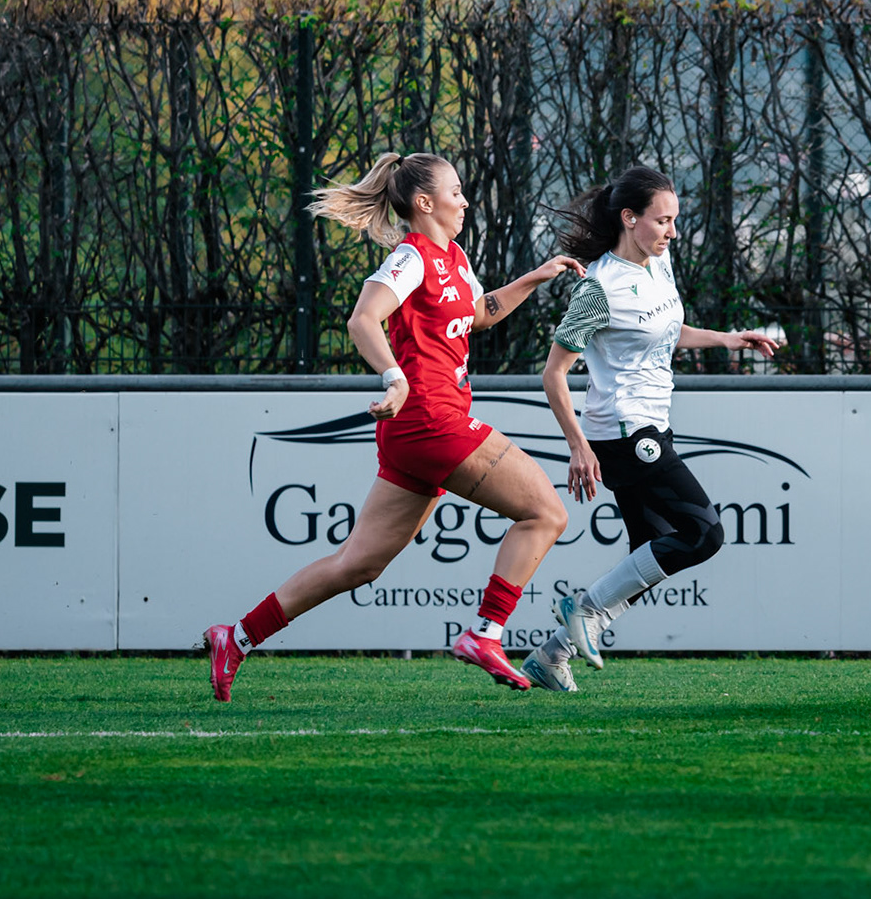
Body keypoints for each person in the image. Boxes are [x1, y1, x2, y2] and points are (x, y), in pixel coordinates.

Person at [202, 152, 584, 699]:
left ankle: (235, 637)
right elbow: (363, 317)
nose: (465, 201)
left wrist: (536, 277)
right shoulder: (411, 258)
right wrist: (393, 377)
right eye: (456, 191)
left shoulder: (452, 255)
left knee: (357, 564)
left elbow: (479, 313)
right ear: (425, 203)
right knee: (546, 512)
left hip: (417, 429)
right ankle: (486, 633)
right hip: (430, 417)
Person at [522, 165, 780, 692]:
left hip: (651, 428)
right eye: (663, 221)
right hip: (620, 435)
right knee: (703, 534)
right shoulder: (598, 288)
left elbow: (666, 330)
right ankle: (581, 610)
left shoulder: (658, 267)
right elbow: (553, 374)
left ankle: (552, 654)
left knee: (652, 549)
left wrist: (730, 339)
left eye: (674, 221)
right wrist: (577, 447)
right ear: (629, 218)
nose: (672, 232)